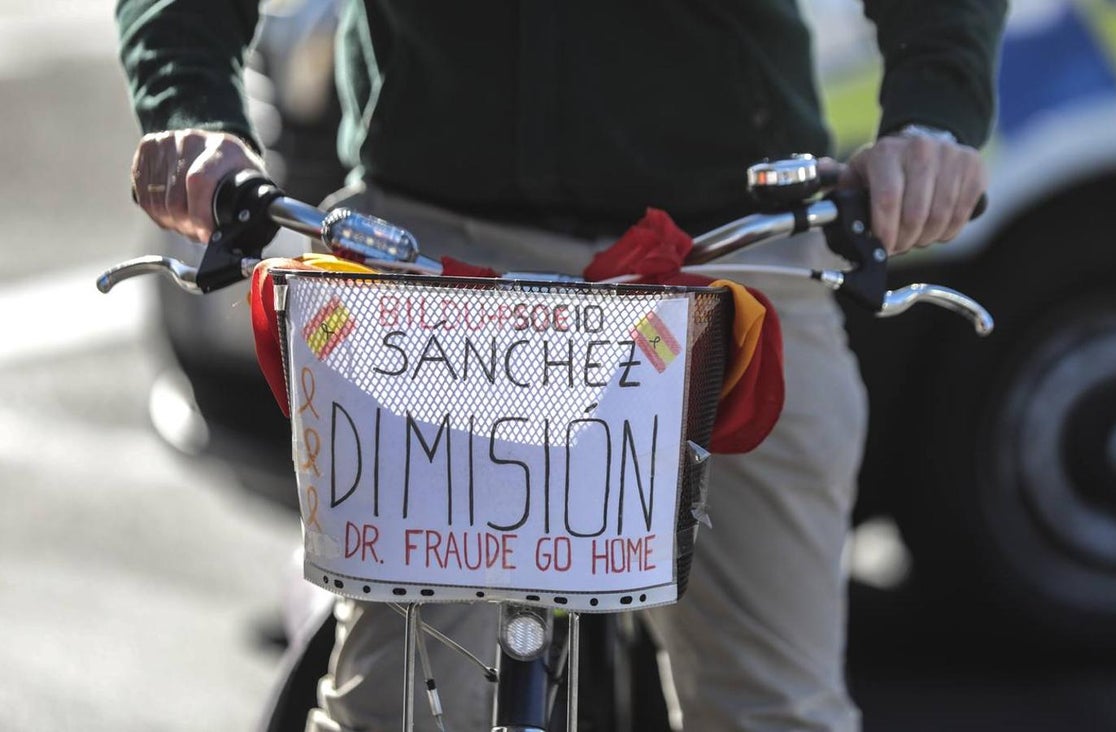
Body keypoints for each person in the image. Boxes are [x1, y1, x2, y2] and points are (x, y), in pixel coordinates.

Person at [116, 2, 1006, 730]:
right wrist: (190, 108)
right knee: (396, 713)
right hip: (433, 243)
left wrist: (934, 113)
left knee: (774, 708)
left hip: (723, 249)